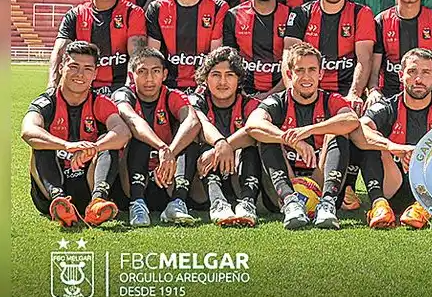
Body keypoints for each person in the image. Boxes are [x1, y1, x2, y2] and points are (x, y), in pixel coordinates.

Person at [283, 0, 375, 211]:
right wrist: (292, 91)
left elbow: (363, 59)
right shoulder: (301, 13)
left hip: (343, 94)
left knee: (356, 120)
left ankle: (345, 185)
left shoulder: (361, 13)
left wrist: (355, 93)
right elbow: (288, 59)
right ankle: (297, 185)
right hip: (308, 90)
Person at [245, 42, 360, 230]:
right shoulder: (278, 101)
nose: (306, 76)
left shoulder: (331, 100)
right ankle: (291, 203)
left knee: (339, 133)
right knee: (267, 135)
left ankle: (327, 204)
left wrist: (309, 130)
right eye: (300, 70)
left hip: (319, 180)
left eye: (312, 70)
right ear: (290, 75)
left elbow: (351, 119)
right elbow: (252, 125)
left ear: (321, 74)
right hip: (283, 184)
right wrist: (290, 139)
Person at [350, 48, 432, 229]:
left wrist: (425, 154)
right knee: (373, 140)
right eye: (412, 72)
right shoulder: (388, 106)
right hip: (392, 185)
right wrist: (392, 147)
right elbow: (359, 130)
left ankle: (425, 207)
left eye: (425, 72)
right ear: (401, 75)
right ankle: (379, 205)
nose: (419, 79)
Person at [23, 41, 131, 226]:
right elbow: (28, 131)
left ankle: (97, 202)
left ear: (95, 73)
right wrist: (66, 145)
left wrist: (94, 147)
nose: (80, 74)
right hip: (52, 186)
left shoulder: (100, 102)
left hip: (88, 182)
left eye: (88, 69)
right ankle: (60, 203)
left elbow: (123, 133)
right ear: (61, 67)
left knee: (109, 141)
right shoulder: (47, 102)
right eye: (73, 66)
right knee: (41, 144)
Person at [111, 48, 202, 226]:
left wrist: (170, 153)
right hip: (131, 180)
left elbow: (193, 122)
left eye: (156, 71)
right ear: (131, 75)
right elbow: (134, 121)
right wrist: (162, 147)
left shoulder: (172, 95)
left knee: (190, 142)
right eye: (142, 72)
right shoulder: (123, 95)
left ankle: (177, 202)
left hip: (166, 178)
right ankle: (136, 204)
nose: (150, 79)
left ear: (165, 74)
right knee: (139, 138)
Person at [50, 0, 146, 95]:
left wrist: (128, 91)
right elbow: (60, 52)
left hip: (120, 88)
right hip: (84, 89)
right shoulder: (75, 15)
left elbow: (136, 56)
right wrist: (52, 87)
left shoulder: (133, 13)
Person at [189, 47, 263, 227]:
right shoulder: (195, 100)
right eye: (215, 74)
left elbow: (253, 130)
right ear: (205, 78)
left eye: (229, 75)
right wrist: (219, 145)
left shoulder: (251, 104)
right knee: (202, 145)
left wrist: (223, 146)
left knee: (251, 147)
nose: (222, 81)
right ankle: (218, 203)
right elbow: (202, 124)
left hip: (239, 177)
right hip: (201, 186)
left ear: (238, 79)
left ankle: (247, 203)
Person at [146, 0, 228, 91]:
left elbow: (215, 58)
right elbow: (153, 59)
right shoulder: (157, 8)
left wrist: (202, 88)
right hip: (167, 88)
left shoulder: (218, 8)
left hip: (203, 89)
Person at [222, 0, 291, 98]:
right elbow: (230, 63)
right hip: (243, 95)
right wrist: (243, 94)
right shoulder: (233, 16)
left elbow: (293, 65)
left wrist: (270, 95)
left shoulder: (291, 15)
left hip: (282, 95)